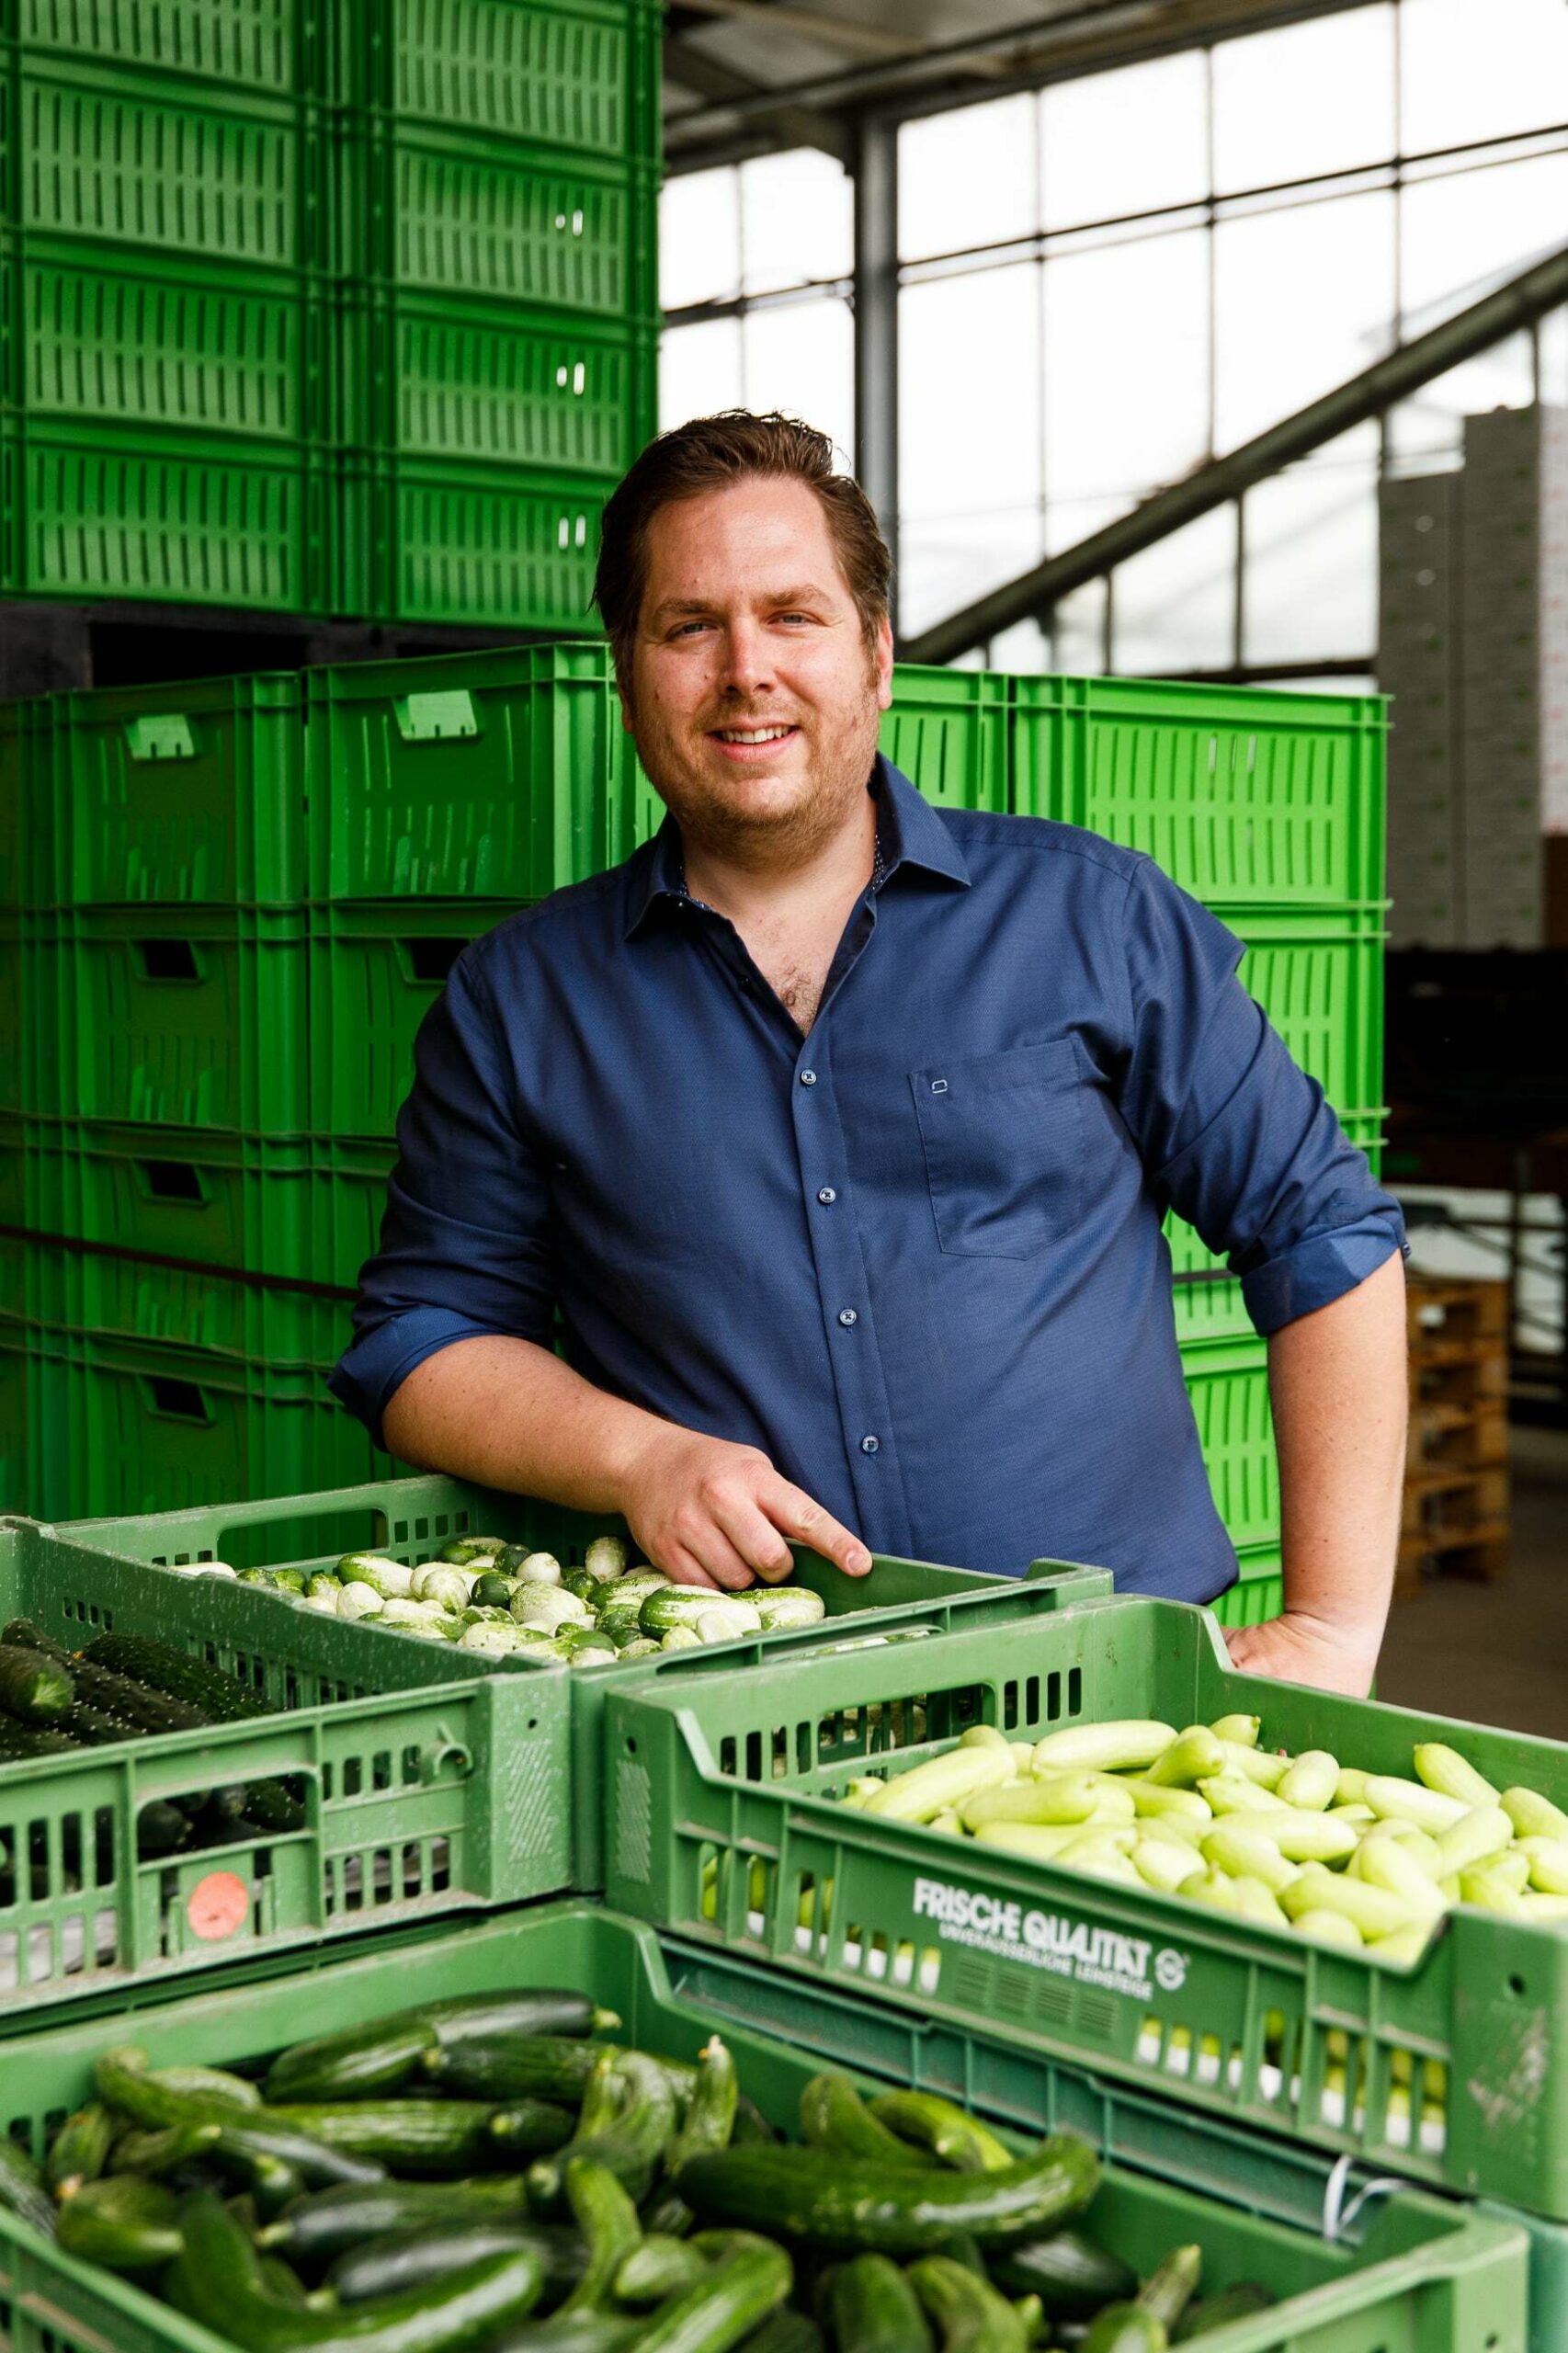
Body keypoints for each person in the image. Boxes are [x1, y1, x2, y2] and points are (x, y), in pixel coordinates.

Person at [330, 410, 1408, 1696]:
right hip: (729, 1701)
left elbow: (1320, 1234)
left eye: (793, 616)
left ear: (876, 656)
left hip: (1111, 1686)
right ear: (626, 670)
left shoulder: (1089, 919)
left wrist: (1336, 1623)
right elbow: (421, 1337)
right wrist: (637, 1460)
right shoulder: (523, 998)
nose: (746, 670)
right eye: (690, 627)